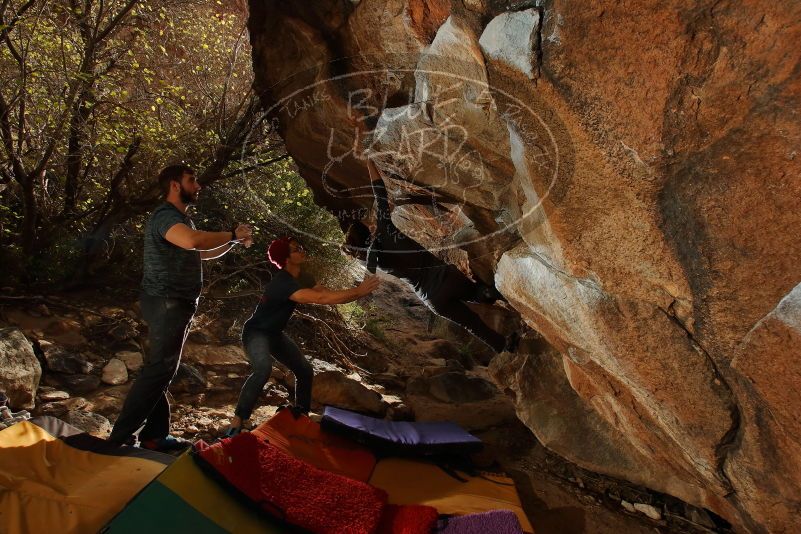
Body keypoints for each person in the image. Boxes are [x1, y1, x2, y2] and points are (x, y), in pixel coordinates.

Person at [108, 164, 253, 451]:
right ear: (175, 185)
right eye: (192, 180)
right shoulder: (165, 217)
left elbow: (203, 251)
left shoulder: (180, 220)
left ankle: (155, 435)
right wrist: (231, 232)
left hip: (175, 303)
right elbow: (193, 241)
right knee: (160, 369)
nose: (197, 186)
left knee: (161, 368)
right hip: (166, 302)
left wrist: (233, 241)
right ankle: (120, 438)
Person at [345, 157, 516, 354]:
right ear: (367, 229)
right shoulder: (385, 230)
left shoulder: (370, 258)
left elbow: (365, 254)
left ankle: (504, 345)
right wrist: (369, 162)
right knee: (477, 292)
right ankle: (492, 293)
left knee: (471, 324)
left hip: (432, 298)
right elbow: (380, 192)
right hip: (447, 277)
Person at [225, 236, 379, 436]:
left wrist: (357, 293)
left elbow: (326, 293)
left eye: (301, 246)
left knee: (304, 371)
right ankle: (237, 422)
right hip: (256, 333)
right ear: (286, 258)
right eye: (296, 249)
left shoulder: (303, 276)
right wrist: (358, 291)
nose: (302, 250)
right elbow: (320, 298)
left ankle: (302, 415)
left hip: (274, 334)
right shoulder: (282, 283)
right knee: (263, 369)